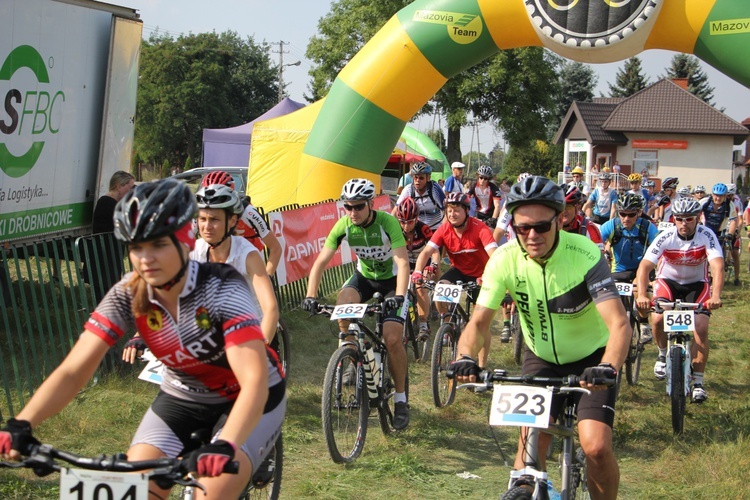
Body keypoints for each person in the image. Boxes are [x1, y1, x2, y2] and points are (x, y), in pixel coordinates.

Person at [0, 179, 286, 499]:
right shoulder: (129, 292)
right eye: (135, 247)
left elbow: (254, 380)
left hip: (250, 396)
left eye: (158, 244)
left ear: (184, 243)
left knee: (212, 493)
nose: (145, 259)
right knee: (137, 489)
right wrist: (22, 423)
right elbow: (73, 370)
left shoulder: (222, 288)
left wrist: (225, 443)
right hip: (184, 396)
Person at [452, 175, 630, 500]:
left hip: (593, 358)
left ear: (560, 219)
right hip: (541, 357)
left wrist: (609, 366)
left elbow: (619, 324)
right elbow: (479, 323)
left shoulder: (585, 254)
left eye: (541, 227)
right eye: (522, 228)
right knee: (529, 453)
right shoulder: (504, 260)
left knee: (596, 446)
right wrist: (465, 356)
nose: (532, 236)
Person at [303, 178, 411, 429]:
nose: (353, 212)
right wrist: (310, 296)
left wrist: (399, 294)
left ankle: (402, 399)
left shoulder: (388, 222)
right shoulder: (344, 225)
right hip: (364, 278)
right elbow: (320, 262)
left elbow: (403, 263)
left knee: (392, 338)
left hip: (392, 281)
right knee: (341, 311)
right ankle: (350, 359)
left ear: (371, 204)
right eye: (348, 207)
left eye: (358, 206)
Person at [635, 197, 723, 403]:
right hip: (668, 282)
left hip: (697, 285)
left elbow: (717, 267)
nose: (684, 224)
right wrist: (641, 294)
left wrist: (716, 295)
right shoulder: (665, 236)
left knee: (700, 327)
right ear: (674, 219)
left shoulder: (706, 235)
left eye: (689, 219)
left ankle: (698, 382)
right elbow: (645, 267)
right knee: (657, 319)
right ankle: (662, 354)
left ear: (698, 218)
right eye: (680, 219)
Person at [412, 192, 497, 367]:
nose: (452, 214)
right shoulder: (444, 229)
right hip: (458, 271)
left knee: (481, 323)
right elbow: (426, 252)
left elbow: (495, 256)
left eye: (456, 210)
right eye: (449, 210)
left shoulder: (479, 227)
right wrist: (418, 272)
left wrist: (488, 276)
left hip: (482, 274)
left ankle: (481, 365)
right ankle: (447, 323)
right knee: (440, 290)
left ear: (467, 211)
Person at [600, 193, 659, 342]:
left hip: (643, 269)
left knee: (640, 293)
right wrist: (602, 254)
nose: (626, 218)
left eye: (631, 215)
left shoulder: (647, 227)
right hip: (620, 269)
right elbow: (595, 243)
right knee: (610, 297)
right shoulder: (612, 225)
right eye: (623, 214)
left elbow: (660, 248)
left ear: (639, 213)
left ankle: (644, 323)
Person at [200, 171, 282, 277]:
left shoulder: (247, 211)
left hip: (249, 263)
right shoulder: (201, 213)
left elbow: (275, 247)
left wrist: (267, 278)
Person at [83, 170, 135, 302]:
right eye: (129, 188)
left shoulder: (114, 204)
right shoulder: (107, 203)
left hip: (109, 260)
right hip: (103, 261)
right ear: (119, 186)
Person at [396, 198, 438, 340]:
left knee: (420, 288)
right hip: (405, 263)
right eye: (402, 222)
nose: (406, 226)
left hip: (422, 263)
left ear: (416, 219)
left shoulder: (423, 228)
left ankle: (423, 324)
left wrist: (433, 266)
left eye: (410, 222)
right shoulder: (395, 229)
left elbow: (435, 251)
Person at [700, 182, 739, 285]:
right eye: (716, 195)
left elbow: (734, 221)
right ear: (712, 194)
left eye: (721, 196)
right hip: (705, 231)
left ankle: (714, 280)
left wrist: (730, 234)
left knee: (717, 258)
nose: (718, 198)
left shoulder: (729, 205)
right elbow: (694, 213)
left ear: (725, 196)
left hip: (719, 233)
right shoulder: (705, 202)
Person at [394, 162, 446, 231]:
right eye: (415, 177)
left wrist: (444, 230)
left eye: (421, 178)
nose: (418, 180)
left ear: (428, 178)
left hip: (435, 228)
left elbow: (447, 211)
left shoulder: (435, 189)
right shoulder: (408, 190)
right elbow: (395, 212)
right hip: (418, 229)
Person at [560, 184, 604, 251]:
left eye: (567, 206)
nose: (563, 211)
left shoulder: (588, 228)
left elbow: (600, 258)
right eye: (560, 207)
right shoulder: (548, 226)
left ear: (577, 207)